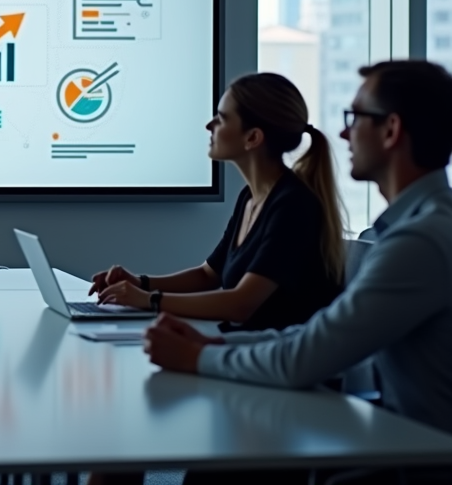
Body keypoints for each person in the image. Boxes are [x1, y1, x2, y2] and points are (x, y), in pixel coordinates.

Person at [144, 60, 452, 485]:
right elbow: (313, 336)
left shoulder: (419, 242)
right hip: (396, 439)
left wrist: (199, 356)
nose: (343, 133)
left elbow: (307, 357)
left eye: (355, 117)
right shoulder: (420, 228)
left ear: (391, 130)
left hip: (417, 461)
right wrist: (212, 344)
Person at [90, 73, 345, 331]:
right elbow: (208, 275)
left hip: (274, 362)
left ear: (253, 138)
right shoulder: (251, 196)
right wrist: (140, 283)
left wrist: (148, 300)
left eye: (221, 118)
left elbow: (241, 304)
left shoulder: (294, 205)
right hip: (245, 352)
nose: (209, 125)